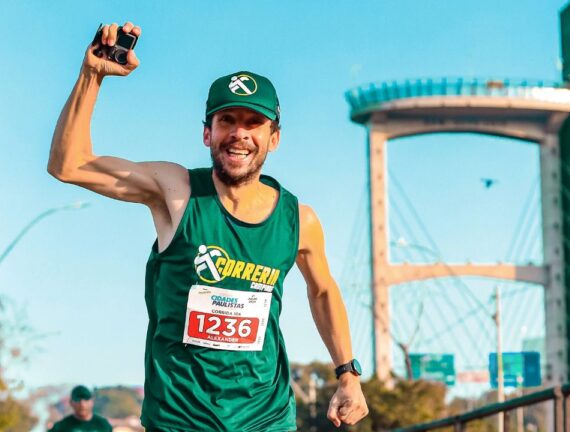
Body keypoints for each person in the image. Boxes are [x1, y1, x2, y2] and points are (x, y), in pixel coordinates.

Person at [48, 21, 369, 431]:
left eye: (253, 122)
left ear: (274, 138)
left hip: (265, 418)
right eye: (226, 120)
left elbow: (322, 289)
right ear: (207, 133)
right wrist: (91, 75)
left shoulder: (298, 221)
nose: (239, 134)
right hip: (180, 419)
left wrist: (348, 374)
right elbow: (67, 164)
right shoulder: (176, 191)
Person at [48, 385, 112, 432]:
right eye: (78, 400)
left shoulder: (103, 425)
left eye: (86, 399)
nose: (82, 404)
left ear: (92, 401)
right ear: (71, 402)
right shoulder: (60, 427)